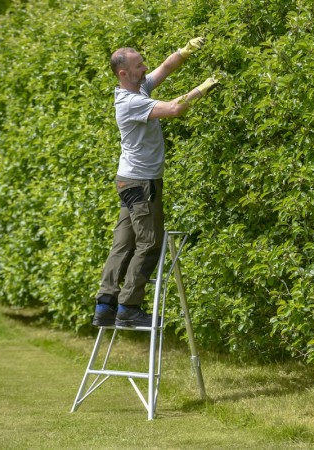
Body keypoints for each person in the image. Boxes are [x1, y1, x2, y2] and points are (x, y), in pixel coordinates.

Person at [92, 37, 218, 328]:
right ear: (123, 73)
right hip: (141, 183)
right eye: (139, 65)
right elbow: (174, 109)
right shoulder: (131, 102)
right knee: (149, 243)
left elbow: (164, 68)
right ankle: (128, 308)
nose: (145, 67)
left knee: (122, 244)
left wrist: (185, 51)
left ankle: (105, 305)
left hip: (129, 181)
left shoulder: (139, 87)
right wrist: (202, 89)